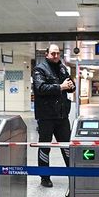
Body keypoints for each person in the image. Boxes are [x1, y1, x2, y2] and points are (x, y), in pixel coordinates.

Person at [32, 44, 75, 188]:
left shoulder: (62, 68)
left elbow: (70, 84)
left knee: (67, 146)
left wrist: (71, 86)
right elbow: (40, 88)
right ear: (47, 54)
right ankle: (44, 177)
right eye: (53, 54)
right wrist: (61, 87)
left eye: (57, 53)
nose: (56, 56)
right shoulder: (40, 69)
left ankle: (72, 173)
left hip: (62, 116)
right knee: (45, 147)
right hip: (46, 116)